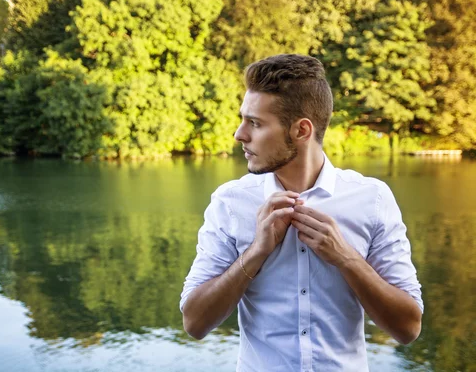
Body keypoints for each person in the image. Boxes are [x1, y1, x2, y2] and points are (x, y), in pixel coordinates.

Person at [179, 54, 423, 372]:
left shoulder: (372, 199)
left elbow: (408, 329)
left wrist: (346, 258)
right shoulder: (229, 203)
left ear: (302, 130)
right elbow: (194, 323)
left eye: (255, 123)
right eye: (243, 120)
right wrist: (256, 252)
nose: (239, 134)